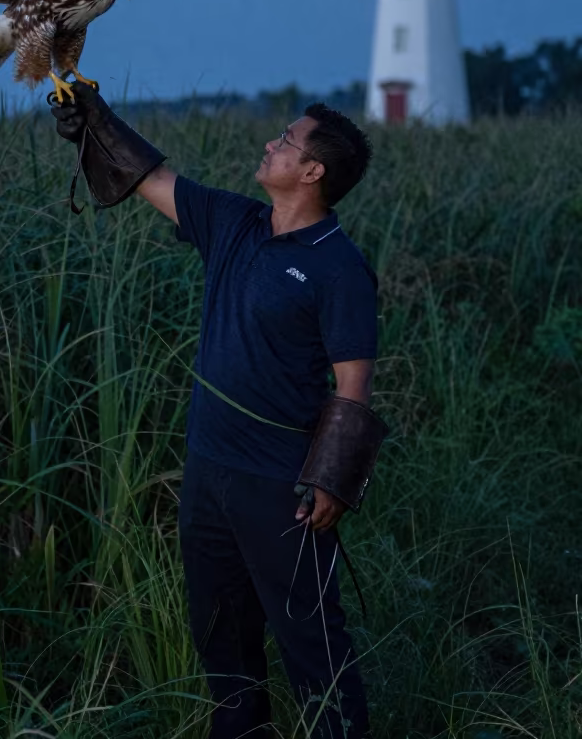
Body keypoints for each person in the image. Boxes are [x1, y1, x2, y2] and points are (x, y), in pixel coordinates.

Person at [50, 83, 387, 739]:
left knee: (311, 639)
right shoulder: (233, 222)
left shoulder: (339, 270)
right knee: (220, 634)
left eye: (285, 141)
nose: (270, 144)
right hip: (207, 469)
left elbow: (353, 386)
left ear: (312, 171)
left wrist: (331, 482)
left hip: (280, 485)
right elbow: (148, 176)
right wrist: (93, 119)